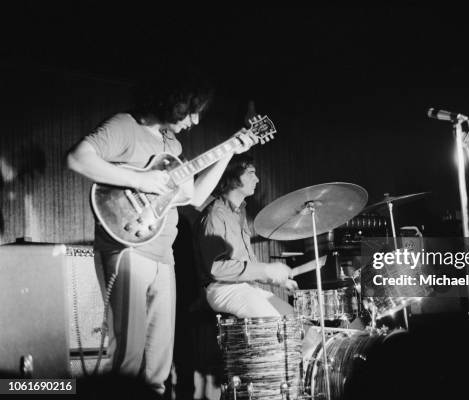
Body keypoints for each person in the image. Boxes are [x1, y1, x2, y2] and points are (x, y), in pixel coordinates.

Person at [65, 70, 257, 395]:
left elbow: (193, 197)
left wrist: (227, 152)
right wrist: (141, 180)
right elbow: (78, 159)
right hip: (128, 249)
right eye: (192, 111)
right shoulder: (125, 126)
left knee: (158, 364)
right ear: (174, 102)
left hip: (163, 255)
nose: (195, 120)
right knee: (128, 356)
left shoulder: (173, 143)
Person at [196, 154, 297, 318]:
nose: (257, 179)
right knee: (275, 323)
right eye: (251, 173)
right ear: (232, 176)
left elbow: (248, 265)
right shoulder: (215, 215)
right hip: (222, 288)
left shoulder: (238, 212)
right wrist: (267, 269)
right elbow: (217, 268)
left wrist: (277, 279)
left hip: (245, 286)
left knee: (294, 320)